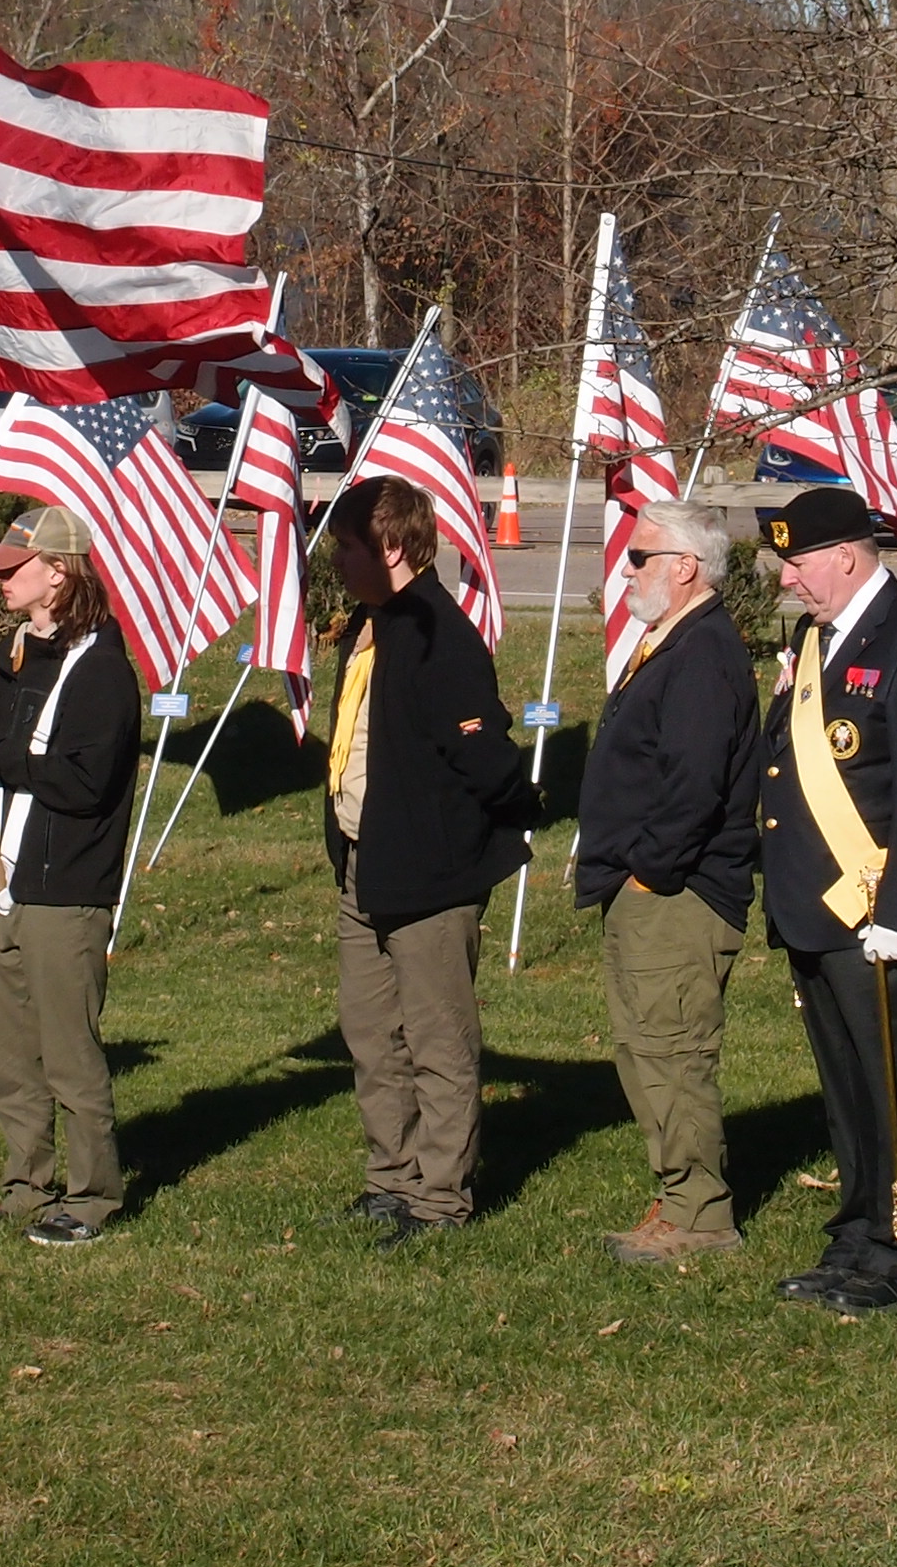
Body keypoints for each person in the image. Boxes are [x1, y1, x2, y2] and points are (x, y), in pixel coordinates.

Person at [755, 487, 897, 1311]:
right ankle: (856, 1229)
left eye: (797, 564)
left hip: (878, 915)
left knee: (894, 1089)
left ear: (845, 556)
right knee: (845, 1088)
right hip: (815, 906)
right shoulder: (821, 638)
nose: (788, 582)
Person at [322, 476, 534, 1247]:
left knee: (438, 1041)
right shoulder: (369, 626)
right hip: (364, 863)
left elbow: (482, 755)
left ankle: (441, 1198)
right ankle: (392, 1178)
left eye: (347, 546)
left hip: (431, 872)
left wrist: (516, 810)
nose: (336, 560)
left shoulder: (439, 633)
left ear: (391, 545)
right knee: (373, 1033)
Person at [0, 507, 140, 1246]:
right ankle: (26, 1183)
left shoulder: (104, 670)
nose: (0, 581)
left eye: (14, 569)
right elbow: (4, 740)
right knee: (13, 1056)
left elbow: (83, 783)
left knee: (70, 1057)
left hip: (64, 891)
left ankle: (91, 1198)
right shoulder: (18, 655)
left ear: (60, 571)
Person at [575, 498, 762, 1264]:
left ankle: (700, 1217)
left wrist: (649, 873)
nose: (627, 571)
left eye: (640, 558)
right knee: (647, 1049)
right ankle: (677, 1195)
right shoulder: (673, 642)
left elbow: (694, 787)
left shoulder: (703, 655)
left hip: (678, 896)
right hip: (649, 888)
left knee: (674, 1051)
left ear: (685, 569)